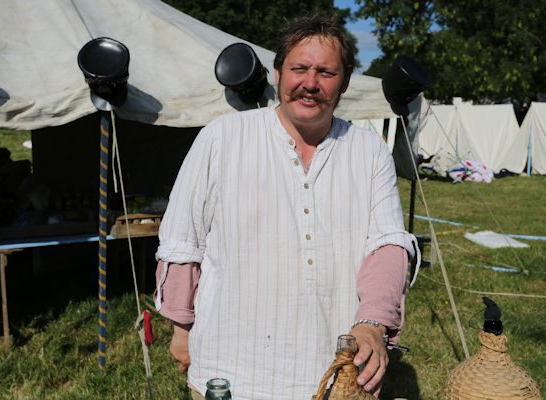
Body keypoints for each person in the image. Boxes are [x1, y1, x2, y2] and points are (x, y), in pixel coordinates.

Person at [155, 13, 418, 400]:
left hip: (333, 368)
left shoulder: (369, 153)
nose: (310, 83)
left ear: (343, 83)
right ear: (277, 73)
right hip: (231, 365)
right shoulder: (222, 138)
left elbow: (387, 245)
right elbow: (183, 238)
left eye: (326, 73)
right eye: (299, 68)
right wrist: (182, 329)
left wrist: (372, 324)